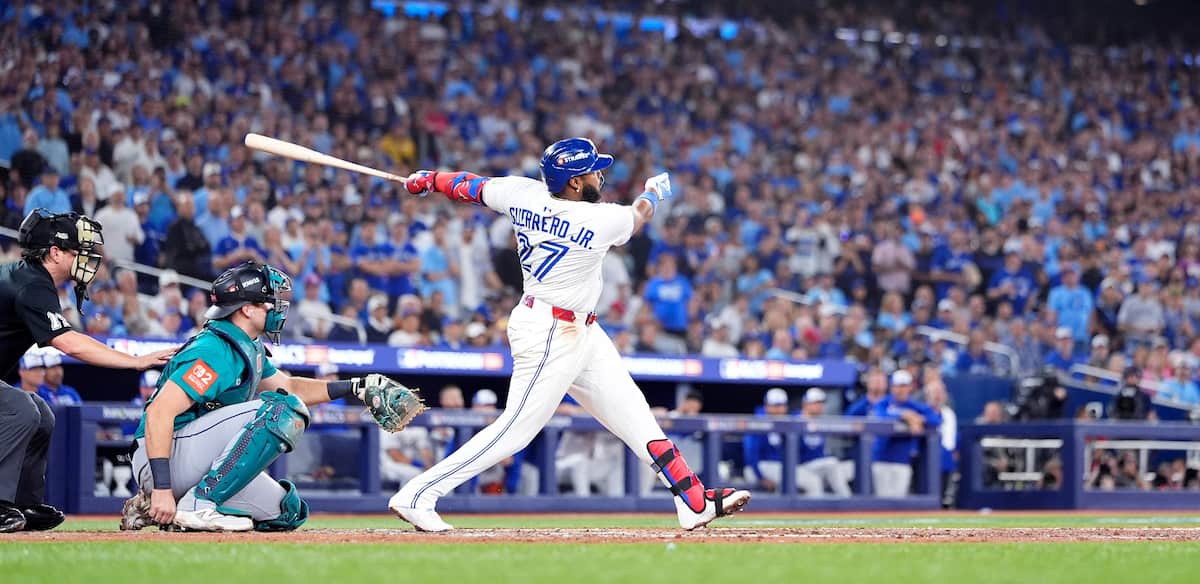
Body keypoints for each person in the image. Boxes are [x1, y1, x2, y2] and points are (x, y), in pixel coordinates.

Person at [390, 137, 749, 531]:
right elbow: (641, 214)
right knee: (516, 430)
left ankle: (692, 499)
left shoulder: (521, 193)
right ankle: (419, 494)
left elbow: (469, 186)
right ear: (575, 183)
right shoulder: (598, 220)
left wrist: (429, 180)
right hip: (549, 331)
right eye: (594, 171)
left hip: (581, 330)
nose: (601, 175)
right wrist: (652, 191)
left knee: (636, 416)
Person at [121, 261, 423, 532]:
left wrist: (357, 386)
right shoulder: (214, 349)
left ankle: (155, 509)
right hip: (163, 455)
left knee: (287, 512)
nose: (277, 308)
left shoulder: (247, 346)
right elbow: (160, 413)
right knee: (282, 410)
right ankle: (196, 504)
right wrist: (161, 486)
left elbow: (289, 386)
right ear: (247, 309)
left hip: (193, 457)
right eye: (269, 302)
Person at [0, 209, 174, 533]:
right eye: (77, 251)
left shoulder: (31, 278)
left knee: (41, 411)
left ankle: (23, 503)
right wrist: (135, 361)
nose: (87, 258)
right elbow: (70, 343)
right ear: (54, 253)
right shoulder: (31, 284)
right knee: (21, 409)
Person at [870, 370, 942, 497]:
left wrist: (918, 418)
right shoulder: (884, 403)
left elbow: (936, 420)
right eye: (898, 386)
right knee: (882, 500)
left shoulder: (914, 405)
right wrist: (905, 416)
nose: (900, 390)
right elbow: (881, 416)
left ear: (910, 387)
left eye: (904, 386)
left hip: (902, 460)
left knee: (899, 501)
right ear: (892, 387)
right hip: (882, 458)